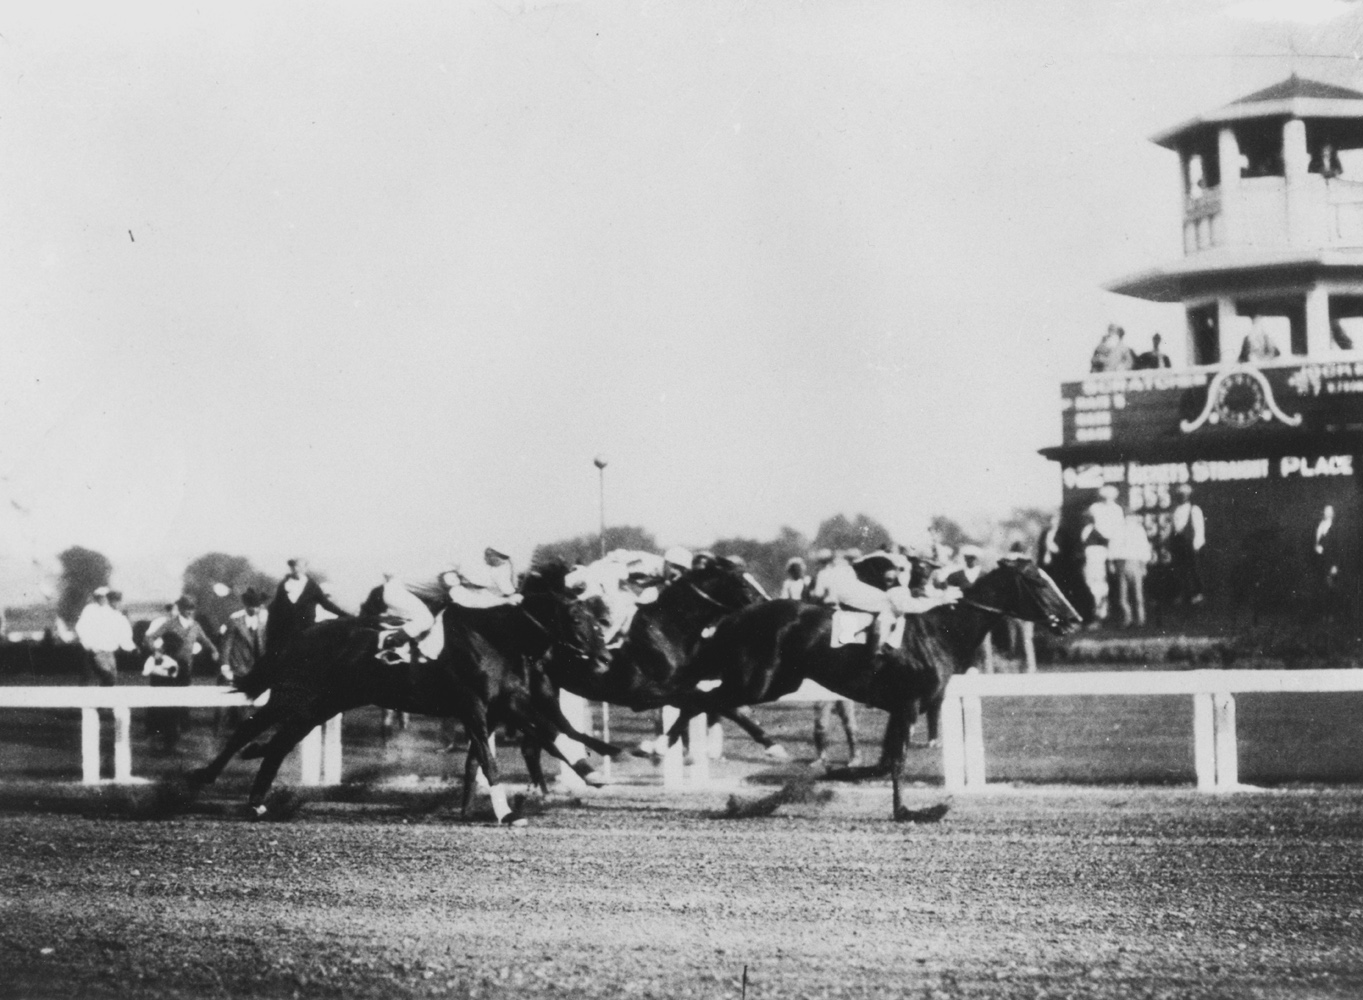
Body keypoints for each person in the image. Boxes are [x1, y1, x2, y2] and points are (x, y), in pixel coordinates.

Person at [144, 596, 219, 752]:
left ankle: (171, 740)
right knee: (170, 706)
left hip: (186, 671)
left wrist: (214, 650)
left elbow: (205, 640)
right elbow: (149, 637)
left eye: (192, 609)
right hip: (170, 670)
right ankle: (167, 741)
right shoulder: (170, 624)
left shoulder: (195, 626)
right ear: (181, 608)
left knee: (180, 706)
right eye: (187, 608)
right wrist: (156, 651)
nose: (190, 611)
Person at [266, 558, 350, 654]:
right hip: (286, 632)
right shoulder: (283, 585)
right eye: (294, 566)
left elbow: (326, 604)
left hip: (306, 629)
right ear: (291, 568)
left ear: (305, 568)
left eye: (300, 566)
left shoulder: (312, 586)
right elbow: (275, 609)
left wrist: (346, 615)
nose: (296, 569)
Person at [1081, 485, 1125, 626]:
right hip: (1094, 556)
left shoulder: (1117, 510)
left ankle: (1103, 615)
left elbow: (1116, 532)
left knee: (1105, 586)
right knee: (1095, 585)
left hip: (1110, 552)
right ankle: (1098, 616)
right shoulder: (1094, 511)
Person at [74, 586, 134, 686]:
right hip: (90, 648)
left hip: (104, 650)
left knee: (111, 676)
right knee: (92, 675)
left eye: (104, 597)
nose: (102, 599)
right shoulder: (90, 609)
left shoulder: (111, 612)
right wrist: (88, 644)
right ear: (96, 598)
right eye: (99, 597)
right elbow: (81, 628)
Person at [1110, 513, 1152, 628]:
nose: (1130, 519)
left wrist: (1143, 566)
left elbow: (1144, 548)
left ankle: (1140, 619)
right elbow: (1113, 547)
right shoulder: (1118, 529)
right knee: (1122, 596)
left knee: (1138, 594)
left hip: (1135, 563)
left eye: (1132, 517)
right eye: (1127, 517)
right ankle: (1127, 618)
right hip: (1122, 563)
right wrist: (1112, 563)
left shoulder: (1139, 531)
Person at [1170, 484, 1206, 605]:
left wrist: (1196, 545)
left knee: (1194, 569)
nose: (1182, 497)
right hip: (1178, 544)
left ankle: (1198, 594)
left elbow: (1199, 529)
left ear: (1188, 496)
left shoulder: (1194, 509)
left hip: (1190, 544)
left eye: (1185, 495)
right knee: (1180, 570)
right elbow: (1174, 528)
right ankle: (1183, 594)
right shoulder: (1176, 510)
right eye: (1180, 495)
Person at [1314, 505, 1341, 596]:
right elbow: (1316, 542)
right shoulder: (1320, 525)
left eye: (1330, 511)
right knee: (1319, 588)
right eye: (1326, 511)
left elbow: (1338, 548)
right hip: (1318, 562)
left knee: (1330, 589)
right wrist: (1316, 547)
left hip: (1330, 562)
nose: (1328, 513)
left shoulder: (1336, 528)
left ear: (1333, 513)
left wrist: (1335, 565)